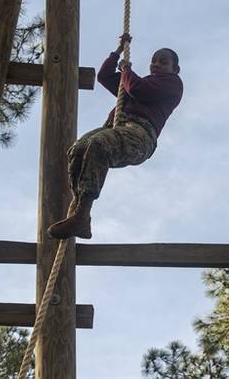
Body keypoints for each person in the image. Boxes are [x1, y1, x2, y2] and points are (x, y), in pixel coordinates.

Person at [47, 34, 183, 240]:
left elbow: (139, 90)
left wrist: (126, 70)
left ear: (175, 68)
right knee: (78, 149)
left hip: (140, 134)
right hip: (115, 127)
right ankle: (81, 214)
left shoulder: (172, 83)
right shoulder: (134, 82)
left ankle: (82, 213)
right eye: (153, 61)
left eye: (163, 62)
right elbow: (104, 76)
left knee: (98, 145)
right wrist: (118, 51)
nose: (156, 64)